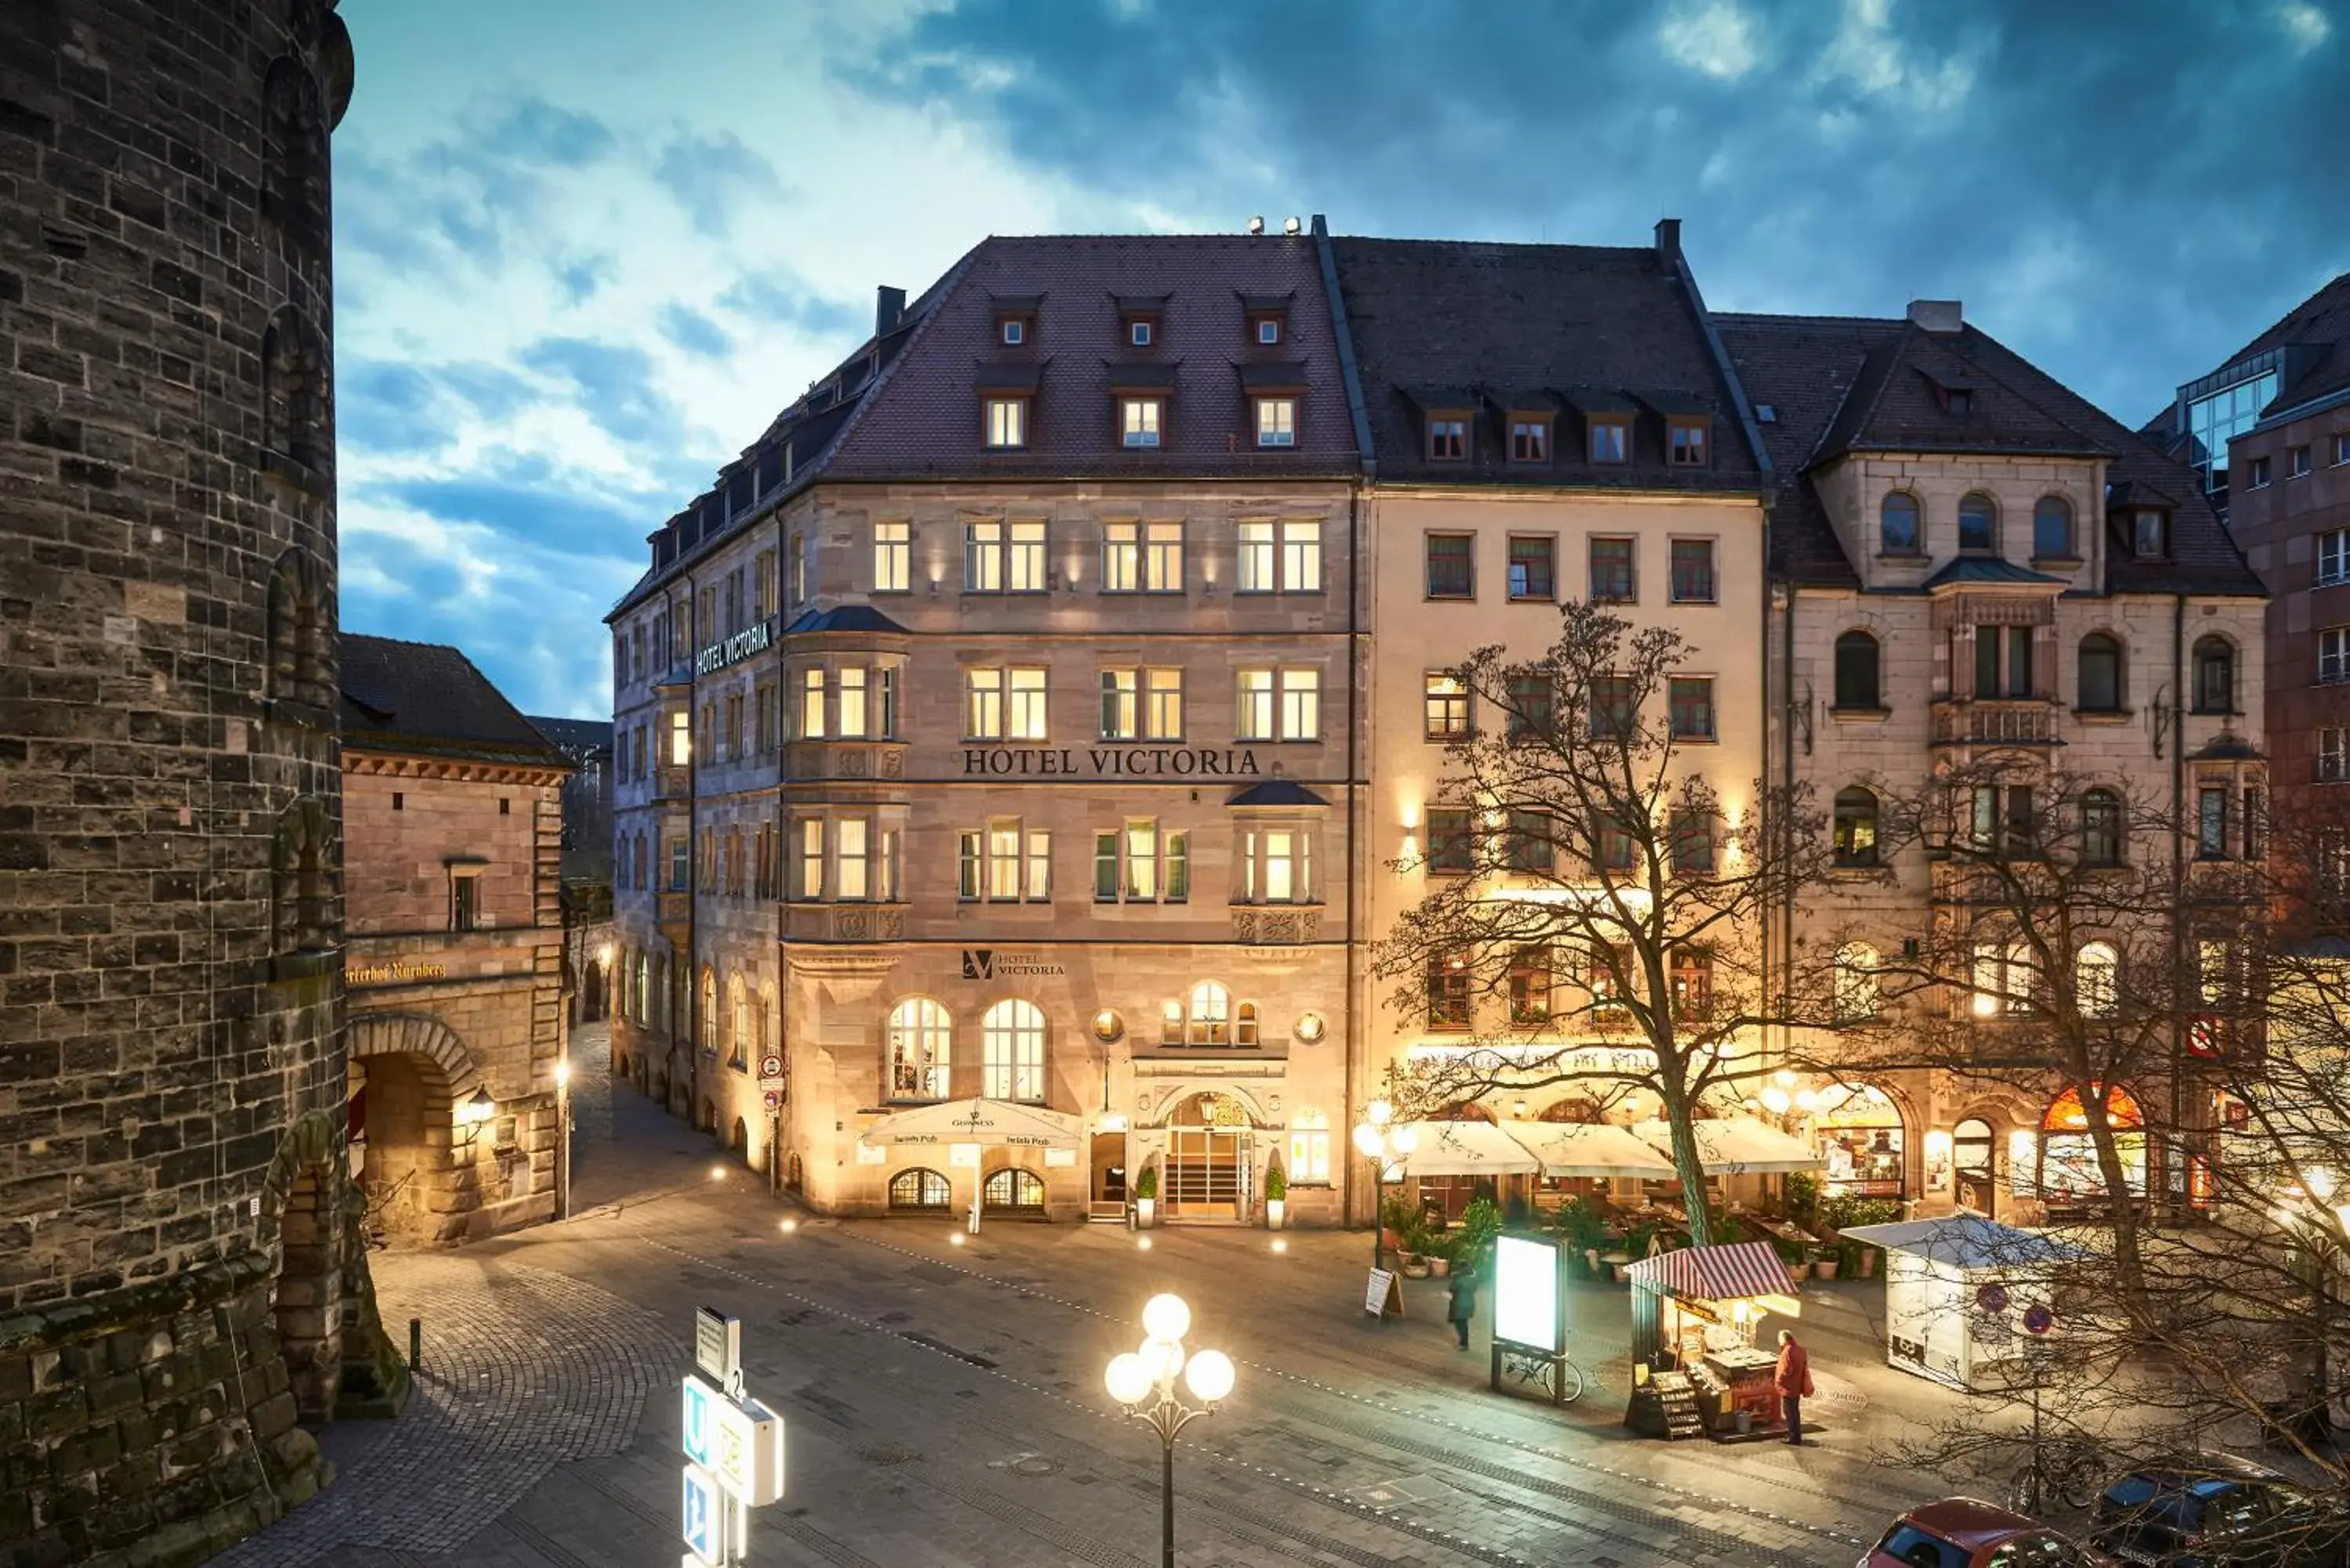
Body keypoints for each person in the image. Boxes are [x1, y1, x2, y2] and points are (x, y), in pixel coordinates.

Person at [1774, 1328, 1813, 1444]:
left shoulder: (1787, 1352)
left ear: (1784, 1339)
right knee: (1795, 1412)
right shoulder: (1800, 1350)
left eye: (1779, 1339)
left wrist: (1779, 1381)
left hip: (1788, 1387)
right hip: (1796, 1386)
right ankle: (1797, 1435)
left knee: (1789, 1413)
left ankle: (1793, 1437)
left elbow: (1786, 1370)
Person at [1446, 1268, 1477, 1350]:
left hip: (1459, 1304)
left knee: (1460, 1325)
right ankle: (1464, 1342)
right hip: (1469, 1304)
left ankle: (1464, 1344)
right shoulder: (1473, 1280)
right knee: (1464, 1324)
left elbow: (1451, 1288)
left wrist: (1455, 1278)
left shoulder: (1459, 1280)